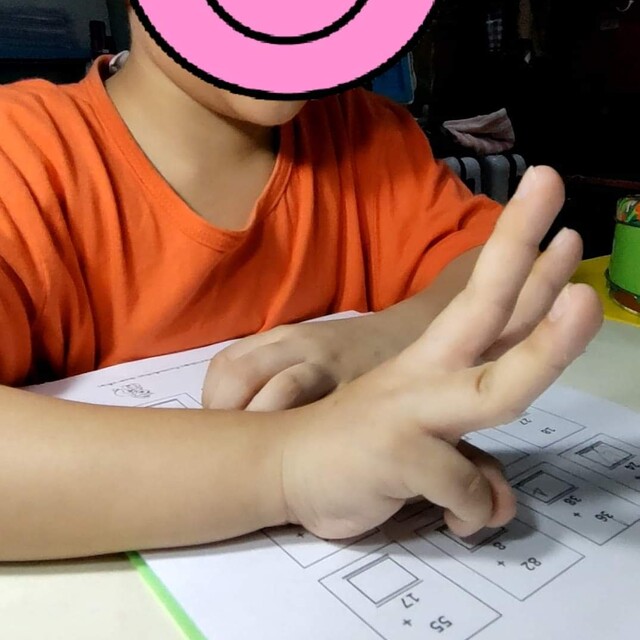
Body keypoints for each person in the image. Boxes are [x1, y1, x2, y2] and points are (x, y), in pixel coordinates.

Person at [0, 9, 602, 561]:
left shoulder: (369, 136)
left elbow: (504, 270)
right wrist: (288, 465)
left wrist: (384, 339)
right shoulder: (21, 155)